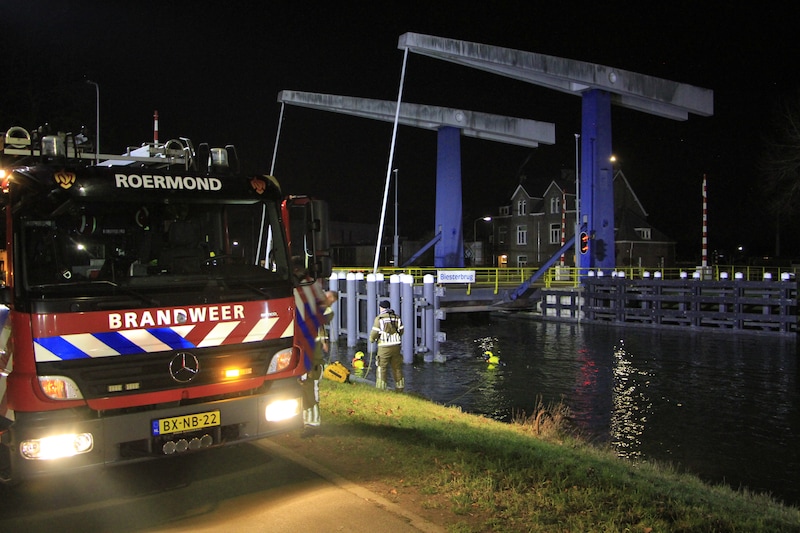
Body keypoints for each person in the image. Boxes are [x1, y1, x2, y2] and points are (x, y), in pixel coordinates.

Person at [293, 256, 336, 431]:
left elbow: (326, 314)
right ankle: (305, 420)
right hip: (302, 348)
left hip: (310, 351)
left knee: (310, 386)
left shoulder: (309, 289)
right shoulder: (308, 288)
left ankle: (312, 422)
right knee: (304, 387)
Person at [369, 300, 404, 392]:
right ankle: (400, 388)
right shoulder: (397, 318)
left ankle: (381, 388)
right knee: (397, 367)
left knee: (382, 366)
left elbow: (374, 333)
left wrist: (372, 339)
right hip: (396, 345)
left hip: (384, 346)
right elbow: (401, 331)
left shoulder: (379, 318)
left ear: (381, 308)